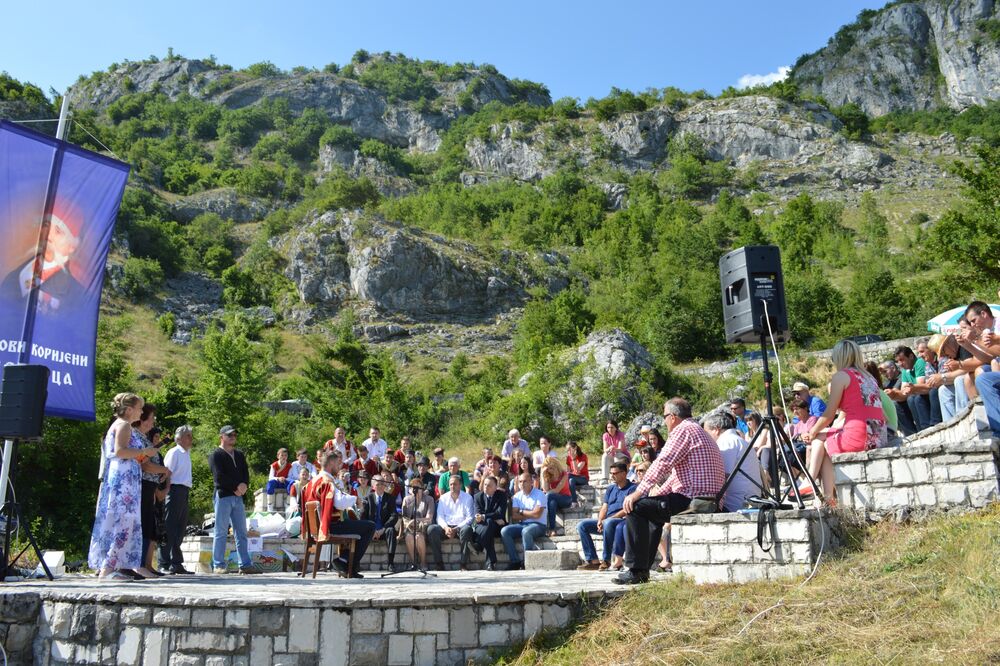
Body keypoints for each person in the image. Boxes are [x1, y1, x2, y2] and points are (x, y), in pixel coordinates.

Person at [615, 398, 725, 585]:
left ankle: (636, 570)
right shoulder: (699, 431)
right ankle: (642, 569)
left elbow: (663, 463)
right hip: (708, 499)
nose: (664, 421)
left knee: (636, 508)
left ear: (673, 417)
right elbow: (676, 476)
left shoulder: (683, 430)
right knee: (651, 512)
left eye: (665, 416)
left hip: (693, 500)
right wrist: (655, 495)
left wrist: (638, 493)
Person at [802, 340, 887, 502]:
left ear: (839, 358)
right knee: (823, 441)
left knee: (819, 439)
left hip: (860, 436)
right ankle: (823, 494)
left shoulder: (841, 376)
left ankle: (818, 488)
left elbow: (829, 414)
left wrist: (811, 432)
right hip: (878, 436)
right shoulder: (869, 377)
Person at [88, 393, 158, 581]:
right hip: (123, 479)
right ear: (128, 410)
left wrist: (143, 454)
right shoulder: (124, 425)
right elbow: (120, 451)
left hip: (122, 476)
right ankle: (107, 569)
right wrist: (144, 451)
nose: (141, 412)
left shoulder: (119, 425)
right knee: (123, 520)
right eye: (139, 408)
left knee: (118, 520)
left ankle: (112, 566)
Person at [0, 207, 88, 317]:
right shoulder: (16, 275)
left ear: (72, 247)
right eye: (46, 225)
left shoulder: (79, 297)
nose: (48, 235)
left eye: (58, 231)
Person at [304, 451, 375, 578]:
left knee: (356, 524)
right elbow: (340, 503)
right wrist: (356, 499)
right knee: (370, 526)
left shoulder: (312, 482)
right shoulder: (327, 481)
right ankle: (344, 562)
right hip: (330, 526)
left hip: (317, 526)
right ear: (331, 463)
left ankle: (346, 563)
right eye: (338, 464)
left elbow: (336, 497)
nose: (339, 467)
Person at [208, 425, 261, 575]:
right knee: (221, 532)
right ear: (222, 437)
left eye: (234, 435)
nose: (233, 437)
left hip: (238, 497)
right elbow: (219, 477)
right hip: (223, 496)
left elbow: (245, 473)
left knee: (241, 532)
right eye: (229, 435)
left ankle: (245, 564)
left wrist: (244, 486)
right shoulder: (216, 455)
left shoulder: (239, 455)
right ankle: (218, 565)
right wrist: (236, 487)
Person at [577, 461, 634, 570]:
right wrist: (600, 520)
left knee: (608, 522)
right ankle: (593, 560)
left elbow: (627, 509)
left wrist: (609, 519)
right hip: (607, 521)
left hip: (621, 520)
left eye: (615, 473)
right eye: (611, 473)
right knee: (582, 525)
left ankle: (606, 560)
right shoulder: (610, 488)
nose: (612, 476)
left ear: (624, 473)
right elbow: (604, 507)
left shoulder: (632, 488)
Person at [135, 405, 171, 578]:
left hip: (150, 486)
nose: (153, 422)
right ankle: (139, 564)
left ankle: (145, 564)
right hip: (141, 485)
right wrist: (164, 470)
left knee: (149, 525)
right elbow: (145, 465)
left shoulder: (144, 439)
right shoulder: (137, 437)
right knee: (143, 524)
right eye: (151, 418)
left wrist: (162, 474)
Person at [702, 411, 761, 512]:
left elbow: (722, 476)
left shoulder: (726, 442)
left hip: (736, 505)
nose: (705, 437)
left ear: (716, 429)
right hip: (747, 499)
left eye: (706, 433)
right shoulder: (737, 440)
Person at [159, 425, 194, 575]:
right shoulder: (174, 452)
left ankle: (176, 562)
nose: (191, 439)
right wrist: (167, 489)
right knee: (169, 526)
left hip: (184, 491)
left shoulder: (186, 453)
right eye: (188, 436)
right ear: (179, 438)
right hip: (174, 490)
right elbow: (167, 472)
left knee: (180, 528)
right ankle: (164, 563)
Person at [500, 472, 548, 570]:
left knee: (526, 531)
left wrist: (521, 512)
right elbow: (514, 515)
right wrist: (530, 513)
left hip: (539, 525)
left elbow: (537, 515)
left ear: (531, 482)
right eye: (520, 482)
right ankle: (515, 561)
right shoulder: (517, 496)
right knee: (505, 531)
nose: (522, 484)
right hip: (523, 524)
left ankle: (527, 561)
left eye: (525, 481)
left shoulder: (540, 494)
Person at [926, 333, 971, 422]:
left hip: (972, 380)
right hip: (966, 381)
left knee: (959, 380)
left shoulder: (964, 347)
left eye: (943, 352)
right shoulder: (953, 355)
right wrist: (941, 380)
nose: (945, 355)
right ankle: (951, 422)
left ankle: (963, 416)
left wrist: (943, 377)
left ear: (948, 344)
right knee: (943, 390)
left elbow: (968, 368)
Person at [436, 474, 476, 570]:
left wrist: (456, 528)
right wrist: (446, 528)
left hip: (460, 527)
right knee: (432, 530)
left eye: (455, 484)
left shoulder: (467, 498)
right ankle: (439, 564)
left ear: (460, 485)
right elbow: (439, 517)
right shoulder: (443, 498)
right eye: (450, 484)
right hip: (446, 527)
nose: (452, 486)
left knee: (467, 530)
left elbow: (470, 518)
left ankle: (463, 564)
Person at [361, 475, 399, 571]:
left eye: (382, 484)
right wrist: (372, 530)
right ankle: (356, 563)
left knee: (391, 530)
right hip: (371, 530)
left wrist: (383, 529)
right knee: (360, 531)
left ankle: (391, 563)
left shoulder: (390, 498)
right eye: (377, 484)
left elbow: (394, 516)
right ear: (373, 486)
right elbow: (363, 517)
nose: (380, 486)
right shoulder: (367, 499)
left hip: (384, 529)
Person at [470, 475, 507, 570]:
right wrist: (492, 518)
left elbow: (500, 513)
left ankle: (479, 545)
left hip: (497, 527)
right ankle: (491, 562)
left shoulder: (501, 495)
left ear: (495, 487)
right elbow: (478, 515)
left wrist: (485, 516)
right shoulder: (478, 496)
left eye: (489, 485)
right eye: (485, 484)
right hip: (480, 526)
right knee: (489, 525)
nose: (486, 487)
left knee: (489, 524)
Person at [400, 478, 435, 570]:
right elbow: (404, 517)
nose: (416, 490)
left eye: (418, 487)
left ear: (422, 488)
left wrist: (416, 521)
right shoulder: (407, 499)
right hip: (410, 527)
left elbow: (429, 518)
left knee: (418, 537)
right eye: (413, 487)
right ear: (410, 489)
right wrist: (409, 523)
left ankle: (423, 562)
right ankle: (413, 563)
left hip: (423, 526)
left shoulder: (429, 499)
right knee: (409, 537)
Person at [540, 457, 572, 537]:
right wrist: (543, 475)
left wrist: (547, 494)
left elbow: (557, 490)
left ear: (556, 466)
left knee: (549, 496)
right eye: (548, 469)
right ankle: (552, 529)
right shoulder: (548, 475)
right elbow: (545, 489)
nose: (550, 470)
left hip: (566, 499)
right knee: (552, 503)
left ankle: (549, 528)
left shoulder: (564, 474)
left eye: (551, 468)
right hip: (554, 500)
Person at [565, 441, 589, 506]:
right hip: (573, 478)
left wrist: (573, 459)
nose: (568, 452)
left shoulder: (583, 456)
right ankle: (574, 501)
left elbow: (577, 470)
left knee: (568, 475)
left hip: (583, 478)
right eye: (567, 450)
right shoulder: (568, 457)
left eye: (569, 449)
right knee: (571, 480)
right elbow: (568, 471)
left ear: (575, 448)